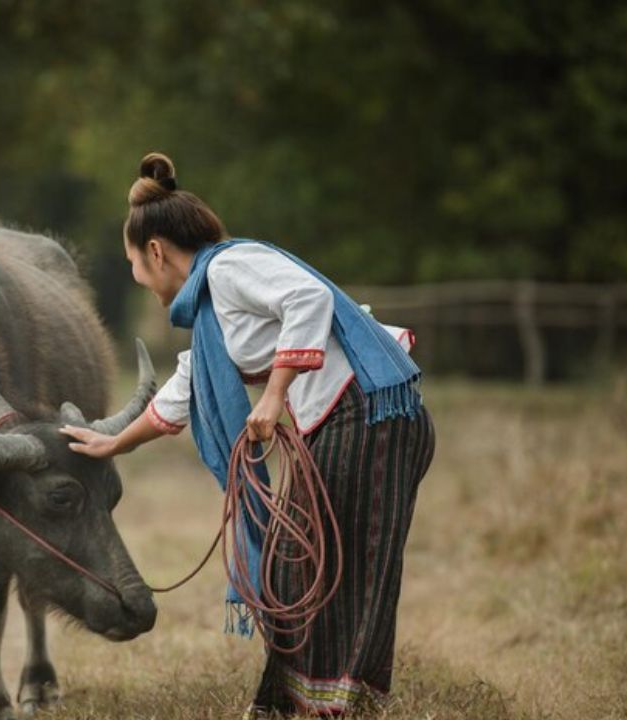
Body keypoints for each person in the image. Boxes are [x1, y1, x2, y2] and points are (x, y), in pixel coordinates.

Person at [59, 152, 435, 717]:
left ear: (156, 252)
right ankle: (292, 703)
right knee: (292, 567)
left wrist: (275, 393)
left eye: (133, 263)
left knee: (339, 569)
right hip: (351, 422)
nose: (138, 276)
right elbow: (181, 392)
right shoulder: (212, 315)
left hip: (369, 417)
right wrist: (112, 444)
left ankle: (332, 705)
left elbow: (308, 298)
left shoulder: (229, 268)